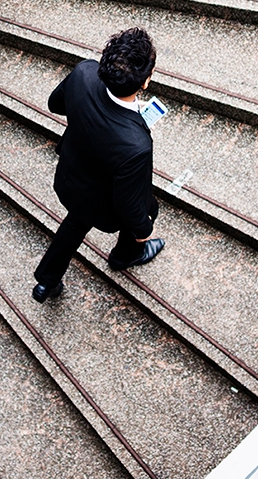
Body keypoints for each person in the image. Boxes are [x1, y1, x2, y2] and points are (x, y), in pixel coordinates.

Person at [32, 27, 165, 303]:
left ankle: (47, 281)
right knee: (148, 208)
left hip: (73, 175)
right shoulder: (137, 145)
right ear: (145, 82)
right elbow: (129, 204)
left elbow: (55, 104)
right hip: (102, 200)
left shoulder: (84, 74)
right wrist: (144, 231)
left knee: (75, 223)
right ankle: (125, 256)